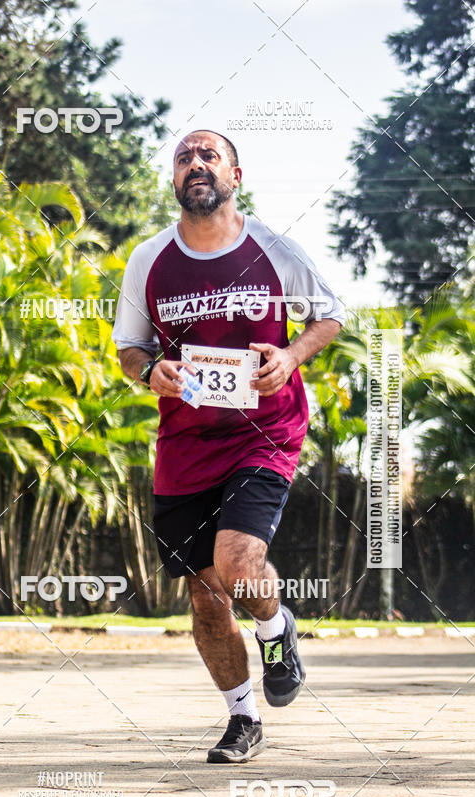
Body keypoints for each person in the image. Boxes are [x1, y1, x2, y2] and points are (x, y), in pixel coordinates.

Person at [112, 130, 344, 762]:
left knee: (240, 565)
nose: (195, 165)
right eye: (185, 157)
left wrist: (291, 354)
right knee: (206, 592)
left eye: (208, 156)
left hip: (263, 434)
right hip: (185, 445)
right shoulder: (149, 259)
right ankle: (242, 719)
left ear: (234, 175)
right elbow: (130, 348)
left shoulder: (272, 249)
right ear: (175, 178)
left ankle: (275, 627)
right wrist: (148, 372)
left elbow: (329, 314)